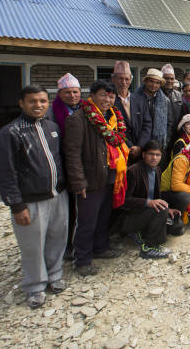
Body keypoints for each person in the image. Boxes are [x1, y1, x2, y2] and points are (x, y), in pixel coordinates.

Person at [0, 85, 68, 308]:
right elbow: (6, 174)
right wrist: (16, 205)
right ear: (21, 103)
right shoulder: (10, 133)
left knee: (57, 238)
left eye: (43, 101)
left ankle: (54, 276)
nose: (38, 105)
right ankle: (35, 286)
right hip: (31, 201)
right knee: (32, 245)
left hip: (57, 195)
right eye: (33, 101)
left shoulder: (52, 127)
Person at [64, 80, 127, 276]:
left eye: (111, 96)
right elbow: (72, 154)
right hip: (90, 178)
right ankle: (81, 259)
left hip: (110, 175)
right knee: (86, 221)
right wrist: (78, 181)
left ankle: (101, 247)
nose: (107, 100)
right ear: (91, 95)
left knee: (103, 216)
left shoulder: (114, 117)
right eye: (103, 95)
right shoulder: (79, 119)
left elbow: (117, 141)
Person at [44, 73, 81, 260]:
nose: (72, 96)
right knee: (65, 211)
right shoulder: (52, 113)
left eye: (75, 92)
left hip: (82, 165)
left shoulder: (84, 110)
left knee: (79, 207)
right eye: (68, 92)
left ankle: (77, 242)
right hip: (61, 165)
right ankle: (64, 246)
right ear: (59, 93)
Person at [118, 140, 173, 259]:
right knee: (161, 211)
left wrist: (168, 209)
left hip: (144, 213)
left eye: (157, 155)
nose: (154, 158)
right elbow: (124, 201)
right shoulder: (134, 171)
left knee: (175, 223)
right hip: (129, 217)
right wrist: (148, 203)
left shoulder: (157, 169)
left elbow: (156, 196)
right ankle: (149, 247)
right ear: (143, 155)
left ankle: (139, 233)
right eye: (151, 154)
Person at [112, 61, 152, 162]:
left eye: (127, 79)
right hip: (119, 151)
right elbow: (112, 128)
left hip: (140, 150)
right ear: (114, 79)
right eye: (120, 78)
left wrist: (140, 146)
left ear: (131, 80)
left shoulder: (140, 100)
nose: (124, 82)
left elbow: (147, 124)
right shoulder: (110, 101)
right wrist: (129, 146)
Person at [135, 69, 173, 153]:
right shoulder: (134, 98)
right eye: (151, 81)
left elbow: (169, 124)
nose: (154, 85)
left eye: (157, 83)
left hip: (157, 144)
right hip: (138, 143)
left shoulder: (165, 101)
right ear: (146, 81)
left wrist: (165, 141)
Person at [161, 64, 183, 134]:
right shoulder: (156, 94)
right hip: (161, 134)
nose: (169, 81)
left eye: (172, 79)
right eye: (166, 78)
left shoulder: (179, 95)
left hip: (176, 133)